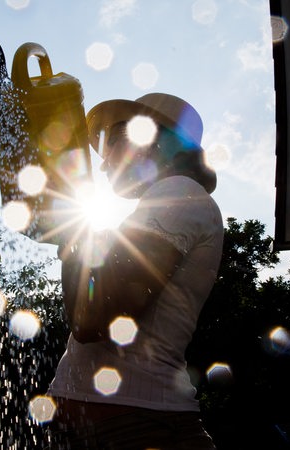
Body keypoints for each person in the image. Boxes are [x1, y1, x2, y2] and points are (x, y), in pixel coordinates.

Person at [46, 93, 223, 449]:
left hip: (134, 426)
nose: (103, 163)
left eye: (109, 142)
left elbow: (93, 320)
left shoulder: (178, 195)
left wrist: (70, 237)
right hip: (128, 420)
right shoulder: (166, 203)